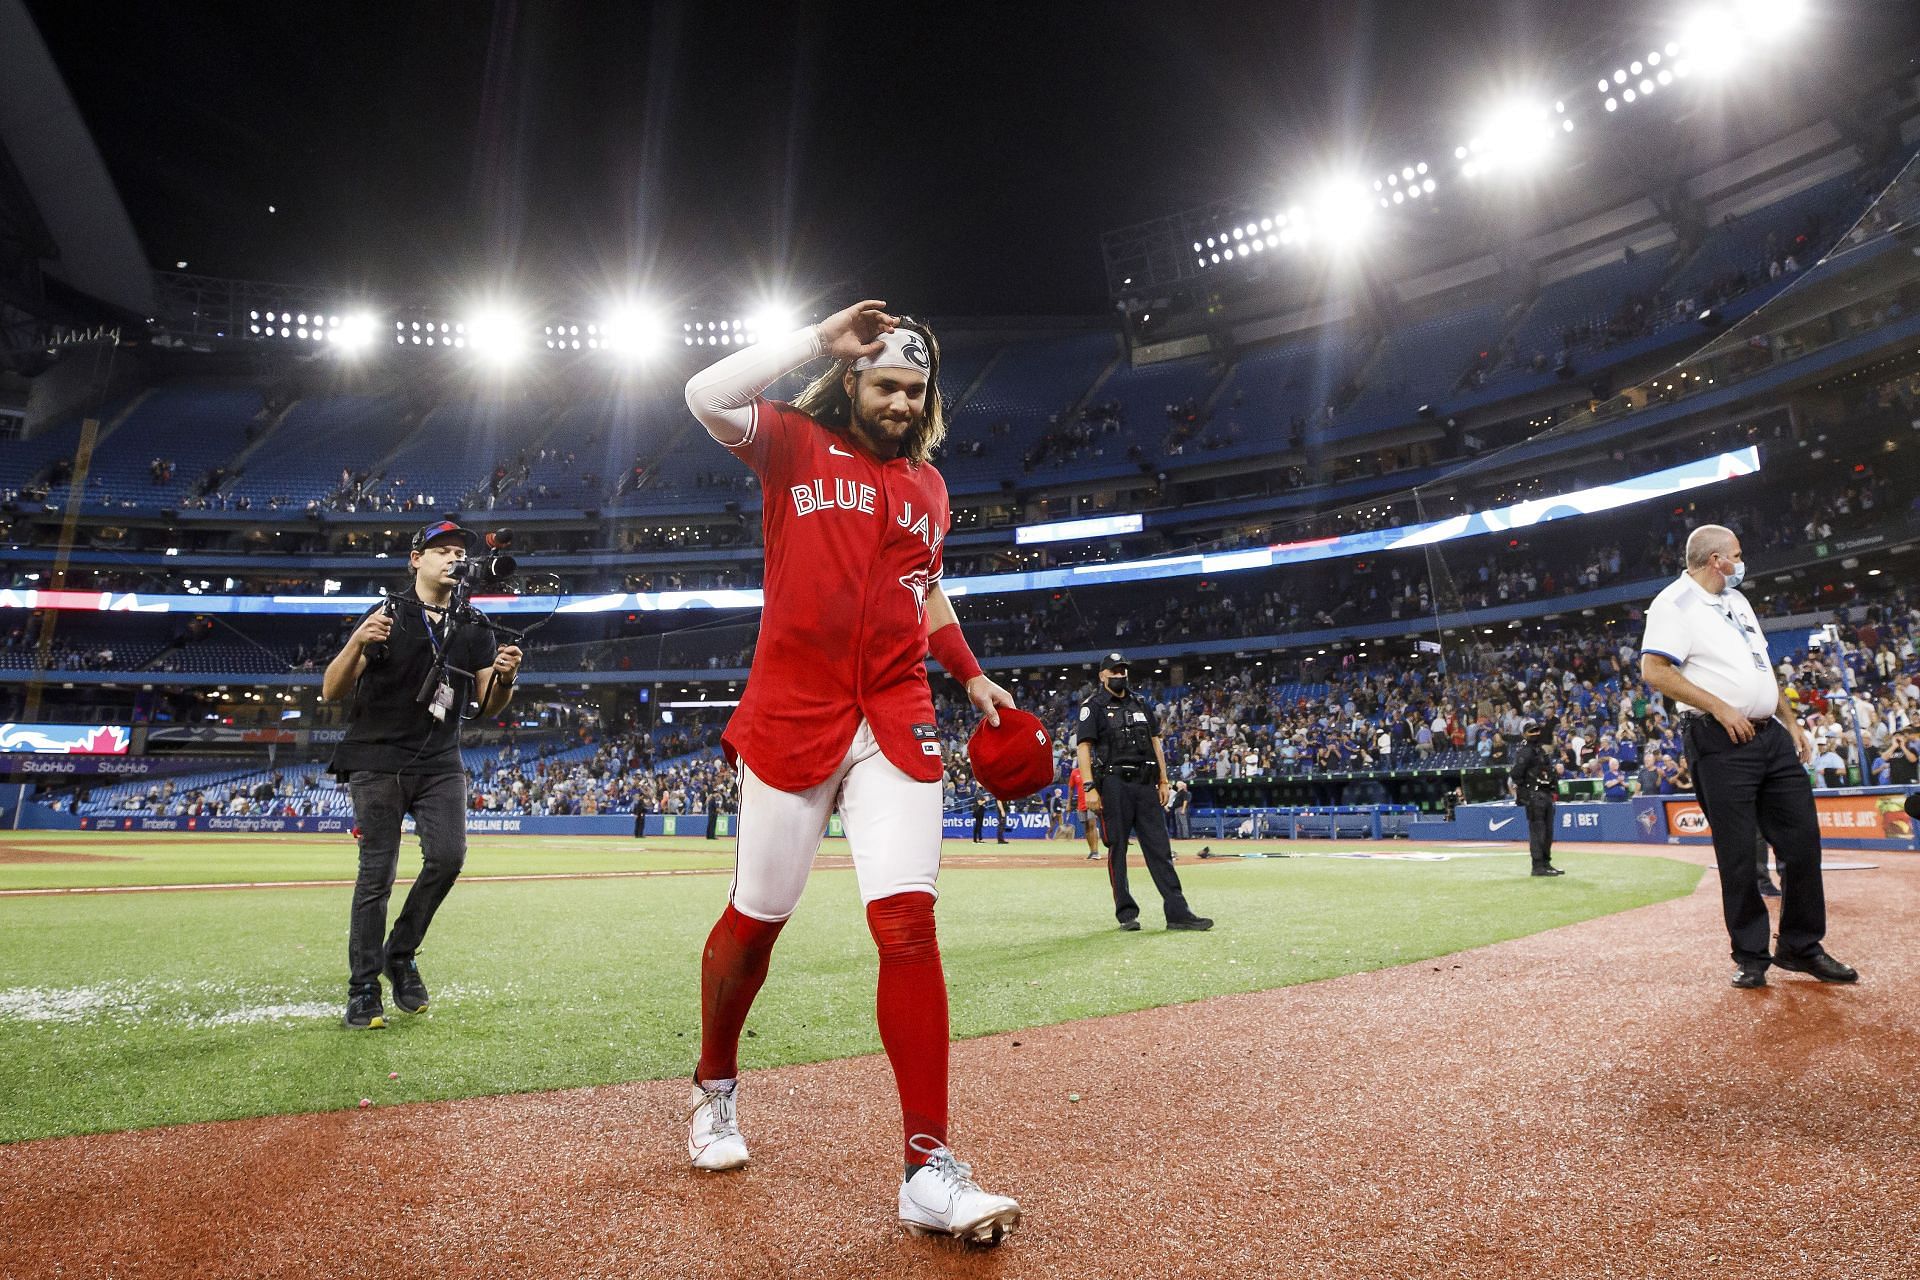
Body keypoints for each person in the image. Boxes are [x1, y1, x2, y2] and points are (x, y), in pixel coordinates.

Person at [680, 300, 1022, 1243]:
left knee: (909, 925)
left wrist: (972, 672)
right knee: (758, 920)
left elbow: (928, 588)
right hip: (793, 710)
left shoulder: (931, 488)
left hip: (896, 715)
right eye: (886, 385)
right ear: (851, 380)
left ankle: (927, 1167)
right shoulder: (789, 443)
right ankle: (714, 1089)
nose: (903, 402)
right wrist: (814, 339)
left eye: (917, 389)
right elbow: (703, 393)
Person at [322, 519, 523, 1030]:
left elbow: (488, 704)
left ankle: (400, 952)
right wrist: (355, 644)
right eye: (441, 550)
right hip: (376, 758)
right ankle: (363, 987)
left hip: (440, 761)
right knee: (377, 876)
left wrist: (506, 676)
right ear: (416, 560)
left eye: (459, 551)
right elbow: (330, 691)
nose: (453, 557)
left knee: (449, 856)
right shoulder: (387, 613)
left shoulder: (475, 624)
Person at [1640, 524, 1858, 989]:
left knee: (1802, 843)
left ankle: (1800, 946)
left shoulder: (1738, 602)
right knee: (1738, 855)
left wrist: (1792, 722)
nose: (1742, 562)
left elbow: (1761, 667)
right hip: (1719, 739)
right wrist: (1719, 707)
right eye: (1737, 554)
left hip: (1770, 735)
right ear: (1716, 560)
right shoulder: (1673, 604)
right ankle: (1751, 954)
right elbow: (1654, 670)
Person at [1076, 653, 1212, 932]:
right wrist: (1089, 787)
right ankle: (1126, 913)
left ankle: (1177, 912)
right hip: (1113, 784)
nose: (1120, 674)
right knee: (1117, 849)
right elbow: (1084, 747)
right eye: (1114, 670)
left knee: (1160, 848)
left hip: (1144, 783)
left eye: (1123, 669)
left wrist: (1164, 780)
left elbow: (1155, 742)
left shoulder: (1140, 703)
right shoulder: (1094, 706)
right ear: (1102, 675)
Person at [1508, 720, 1564, 876]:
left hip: (1546, 795)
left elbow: (1550, 772)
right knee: (1538, 831)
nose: (1535, 734)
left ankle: (1546, 863)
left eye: (1537, 730)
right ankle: (1538, 866)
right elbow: (1516, 774)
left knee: (1548, 832)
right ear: (1525, 734)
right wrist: (1526, 790)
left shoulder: (1541, 751)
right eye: (1532, 731)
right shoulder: (1525, 752)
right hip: (1534, 796)